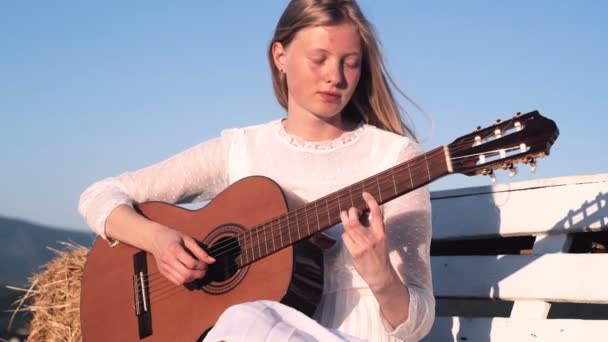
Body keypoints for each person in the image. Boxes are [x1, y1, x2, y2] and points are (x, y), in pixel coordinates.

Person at [78, 0, 435, 341]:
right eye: (319, 59)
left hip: (356, 334)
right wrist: (158, 240)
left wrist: (381, 276)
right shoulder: (241, 149)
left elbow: (417, 325)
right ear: (280, 56)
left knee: (243, 319)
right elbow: (99, 196)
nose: (335, 77)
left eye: (350, 62)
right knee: (243, 319)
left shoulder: (395, 158)